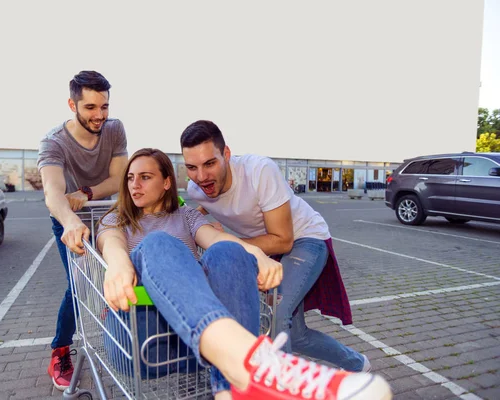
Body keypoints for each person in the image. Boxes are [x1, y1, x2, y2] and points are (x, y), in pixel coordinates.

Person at [96, 148, 391, 400]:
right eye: (131, 178)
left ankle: (232, 388)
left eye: (145, 177)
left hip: (192, 344)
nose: (135, 185)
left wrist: (259, 255)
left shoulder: (186, 216)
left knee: (229, 252)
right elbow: (111, 243)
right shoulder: (116, 218)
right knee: (159, 243)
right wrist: (119, 263)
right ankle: (255, 367)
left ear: (166, 183)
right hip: (137, 338)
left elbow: (215, 237)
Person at [180, 120, 369, 373]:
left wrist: (229, 245)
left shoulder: (259, 171)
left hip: (305, 239)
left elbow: (283, 239)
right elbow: (197, 212)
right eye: (192, 167)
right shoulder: (197, 189)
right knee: (297, 335)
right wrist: (204, 223)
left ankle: (282, 387)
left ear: (226, 154)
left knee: (277, 315)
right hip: (269, 251)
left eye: (209, 163)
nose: (201, 176)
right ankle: (358, 365)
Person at [37, 70, 128, 390]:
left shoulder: (114, 129)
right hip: (69, 220)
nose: (99, 115)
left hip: (105, 214)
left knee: (120, 271)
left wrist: (87, 193)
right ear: (72, 104)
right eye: (90, 107)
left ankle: (117, 324)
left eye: (104, 106)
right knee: (77, 287)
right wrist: (71, 221)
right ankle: (60, 350)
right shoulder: (53, 142)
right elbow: (52, 193)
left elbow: (119, 179)